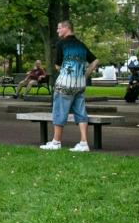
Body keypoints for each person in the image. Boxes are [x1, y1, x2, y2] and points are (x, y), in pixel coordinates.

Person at [41, 20, 99, 152]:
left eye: (59, 28)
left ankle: (56, 142)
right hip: (80, 84)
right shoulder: (81, 45)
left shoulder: (61, 43)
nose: (57, 31)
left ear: (67, 28)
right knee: (81, 112)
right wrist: (85, 74)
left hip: (65, 83)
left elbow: (57, 65)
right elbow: (95, 61)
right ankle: (84, 143)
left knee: (59, 111)